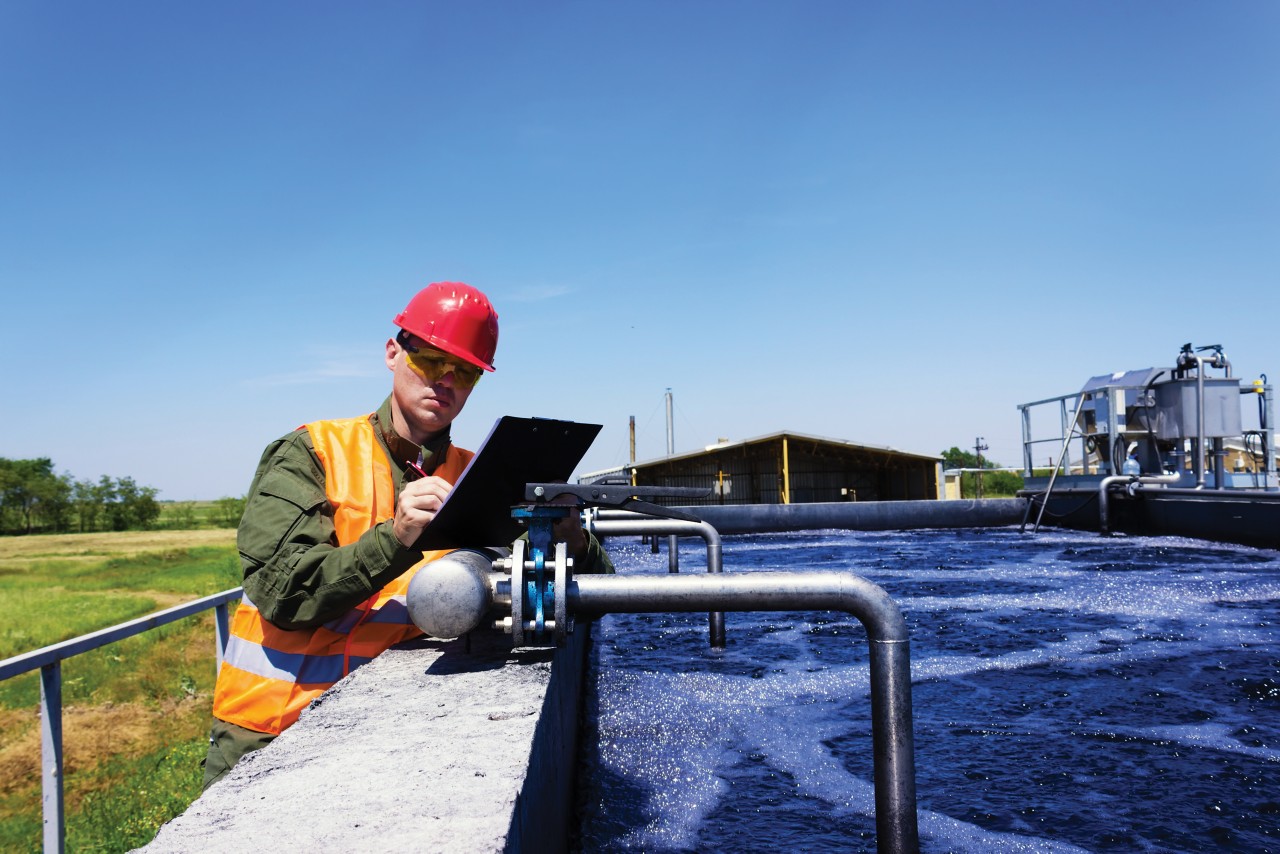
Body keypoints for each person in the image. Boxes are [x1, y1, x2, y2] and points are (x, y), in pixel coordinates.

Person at [203, 281, 613, 789]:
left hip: (396, 730)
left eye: (464, 371)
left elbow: (593, 600)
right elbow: (282, 593)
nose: (445, 381)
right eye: (430, 361)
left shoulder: (476, 476)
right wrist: (395, 538)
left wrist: (572, 540)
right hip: (275, 732)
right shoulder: (311, 452)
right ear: (394, 352)